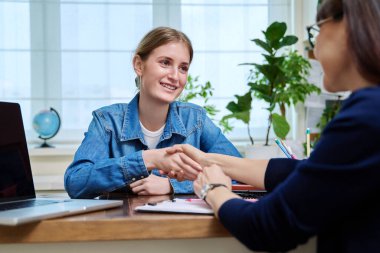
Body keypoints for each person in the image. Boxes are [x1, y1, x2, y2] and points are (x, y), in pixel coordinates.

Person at [165, 0, 380, 252]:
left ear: (349, 24)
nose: (315, 47)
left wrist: (213, 190)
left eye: (316, 30)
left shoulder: (367, 114)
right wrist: (209, 161)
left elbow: (267, 225)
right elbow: (306, 171)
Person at [64, 27, 241, 199]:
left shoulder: (195, 120)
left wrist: (172, 186)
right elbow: (75, 182)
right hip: (123, 226)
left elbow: (239, 174)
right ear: (139, 65)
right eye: (165, 63)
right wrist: (147, 159)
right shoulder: (107, 122)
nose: (175, 76)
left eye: (183, 68)